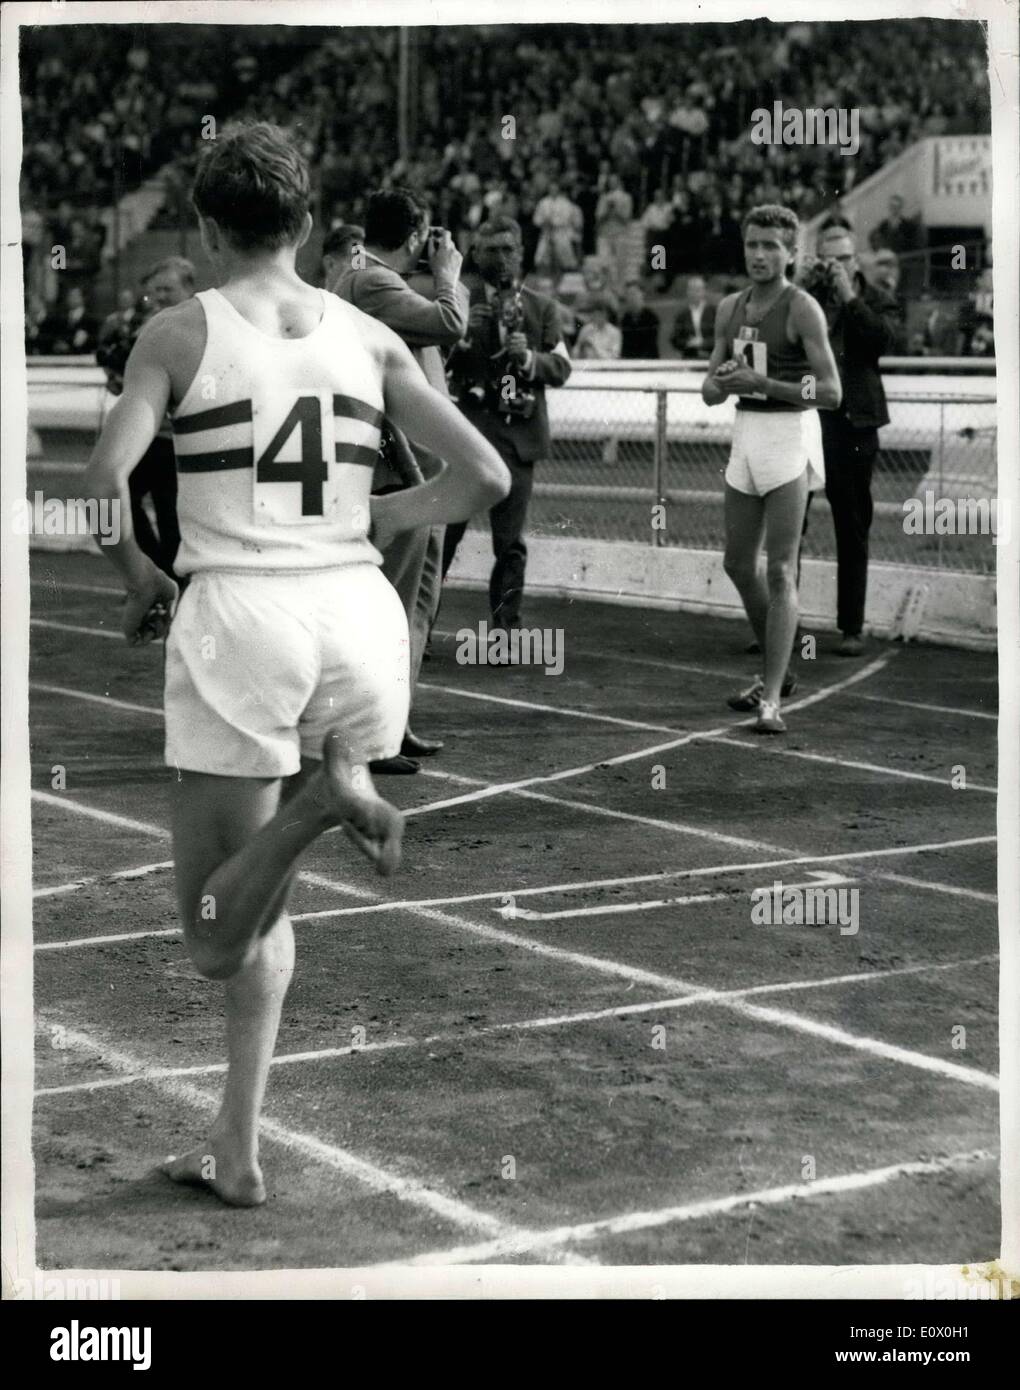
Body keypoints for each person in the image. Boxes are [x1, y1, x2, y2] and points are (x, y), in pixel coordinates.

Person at [83, 123, 509, 1207]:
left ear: (205, 226)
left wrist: (136, 569)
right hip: (361, 623)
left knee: (213, 936)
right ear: (309, 225)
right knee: (266, 913)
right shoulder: (367, 334)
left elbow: (103, 475)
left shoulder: (179, 330)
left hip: (243, 622)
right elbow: (486, 476)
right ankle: (236, 1146)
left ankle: (321, 801)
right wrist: (374, 511)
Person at [331, 188, 468, 774]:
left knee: (418, 600)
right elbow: (450, 322)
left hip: (418, 462)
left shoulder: (370, 278)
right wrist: (449, 273)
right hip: (399, 468)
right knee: (393, 603)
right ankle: (371, 733)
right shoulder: (372, 280)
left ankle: (395, 720)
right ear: (415, 235)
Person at [702, 204, 841, 734]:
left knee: (781, 569)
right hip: (746, 438)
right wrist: (726, 380)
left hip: (790, 436)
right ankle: (776, 671)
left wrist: (767, 386)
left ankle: (772, 700)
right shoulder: (730, 307)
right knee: (739, 564)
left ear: (791, 253)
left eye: (771, 246)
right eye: (752, 243)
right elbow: (710, 390)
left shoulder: (802, 308)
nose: (759, 254)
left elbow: (830, 392)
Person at [443, 215, 572, 636]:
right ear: (475, 254)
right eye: (490, 250)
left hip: (516, 437)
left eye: (507, 249)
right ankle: (418, 626)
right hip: (467, 434)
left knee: (510, 542)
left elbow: (562, 366)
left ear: (520, 253)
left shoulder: (542, 307)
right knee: (445, 535)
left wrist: (530, 359)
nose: (500, 258)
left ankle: (506, 629)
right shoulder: (456, 300)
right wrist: (461, 337)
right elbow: (431, 361)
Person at [805, 225, 901, 656]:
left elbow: (881, 341)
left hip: (855, 422)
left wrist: (848, 296)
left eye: (844, 258)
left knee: (852, 524)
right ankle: (776, 623)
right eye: (830, 259)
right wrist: (808, 287)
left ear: (856, 259)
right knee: (791, 524)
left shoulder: (875, 297)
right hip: (810, 420)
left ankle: (852, 626)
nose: (837, 266)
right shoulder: (807, 297)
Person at [97, 257, 196, 579]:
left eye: (167, 289)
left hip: (178, 436)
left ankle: (168, 579)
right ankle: (157, 572)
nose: (160, 297)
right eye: (155, 291)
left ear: (188, 287)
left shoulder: (196, 322)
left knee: (171, 513)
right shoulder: (149, 324)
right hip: (148, 433)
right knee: (112, 496)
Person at [670, 274, 716, 358]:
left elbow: (721, 337)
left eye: (698, 290)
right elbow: (675, 339)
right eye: (691, 289)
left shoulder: (714, 312)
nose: (694, 293)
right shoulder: (682, 315)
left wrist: (703, 342)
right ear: (687, 292)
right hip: (690, 357)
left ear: (704, 291)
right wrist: (689, 343)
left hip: (712, 357)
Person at [619, 281, 661, 359]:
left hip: (649, 360)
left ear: (642, 294)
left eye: (634, 293)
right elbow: (625, 346)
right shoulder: (625, 319)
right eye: (628, 294)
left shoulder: (651, 317)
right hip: (630, 362)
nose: (631, 297)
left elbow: (650, 344)